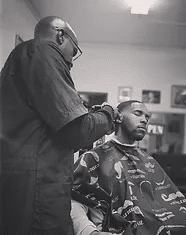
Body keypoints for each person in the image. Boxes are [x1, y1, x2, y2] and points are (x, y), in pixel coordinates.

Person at [0, 16, 119, 235]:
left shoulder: (20, 60)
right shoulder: (41, 51)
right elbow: (78, 130)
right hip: (37, 188)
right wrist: (108, 114)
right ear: (61, 35)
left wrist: (93, 116)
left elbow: (59, 127)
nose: (72, 62)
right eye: (74, 52)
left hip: (22, 184)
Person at [71, 100, 186, 235]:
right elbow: (74, 200)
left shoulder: (148, 160)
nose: (144, 120)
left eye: (147, 117)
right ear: (118, 117)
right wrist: (89, 232)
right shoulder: (93, 157)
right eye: (138, 113)